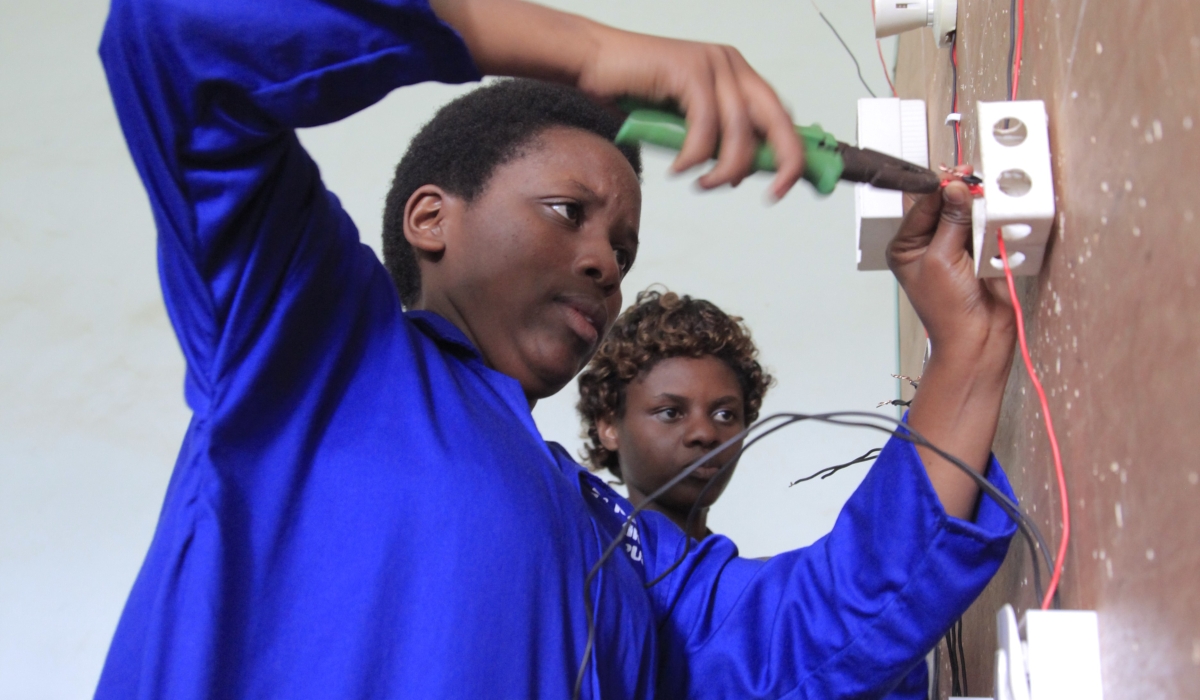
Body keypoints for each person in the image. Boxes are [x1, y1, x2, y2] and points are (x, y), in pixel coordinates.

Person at [97, 0, 1020, 696]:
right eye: (568, 214)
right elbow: (177, 38)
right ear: (431, 219)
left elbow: (811, 632)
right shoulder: (315, 346)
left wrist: (967, 347)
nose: (601, 265)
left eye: (621, 252)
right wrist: (595, 54)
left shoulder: (619, 543)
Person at [575, 288, 940, 699]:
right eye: (670, 412)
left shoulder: (761, 598)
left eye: (725, 414)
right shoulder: (587, 568)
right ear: (609, 424)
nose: (703, 433)